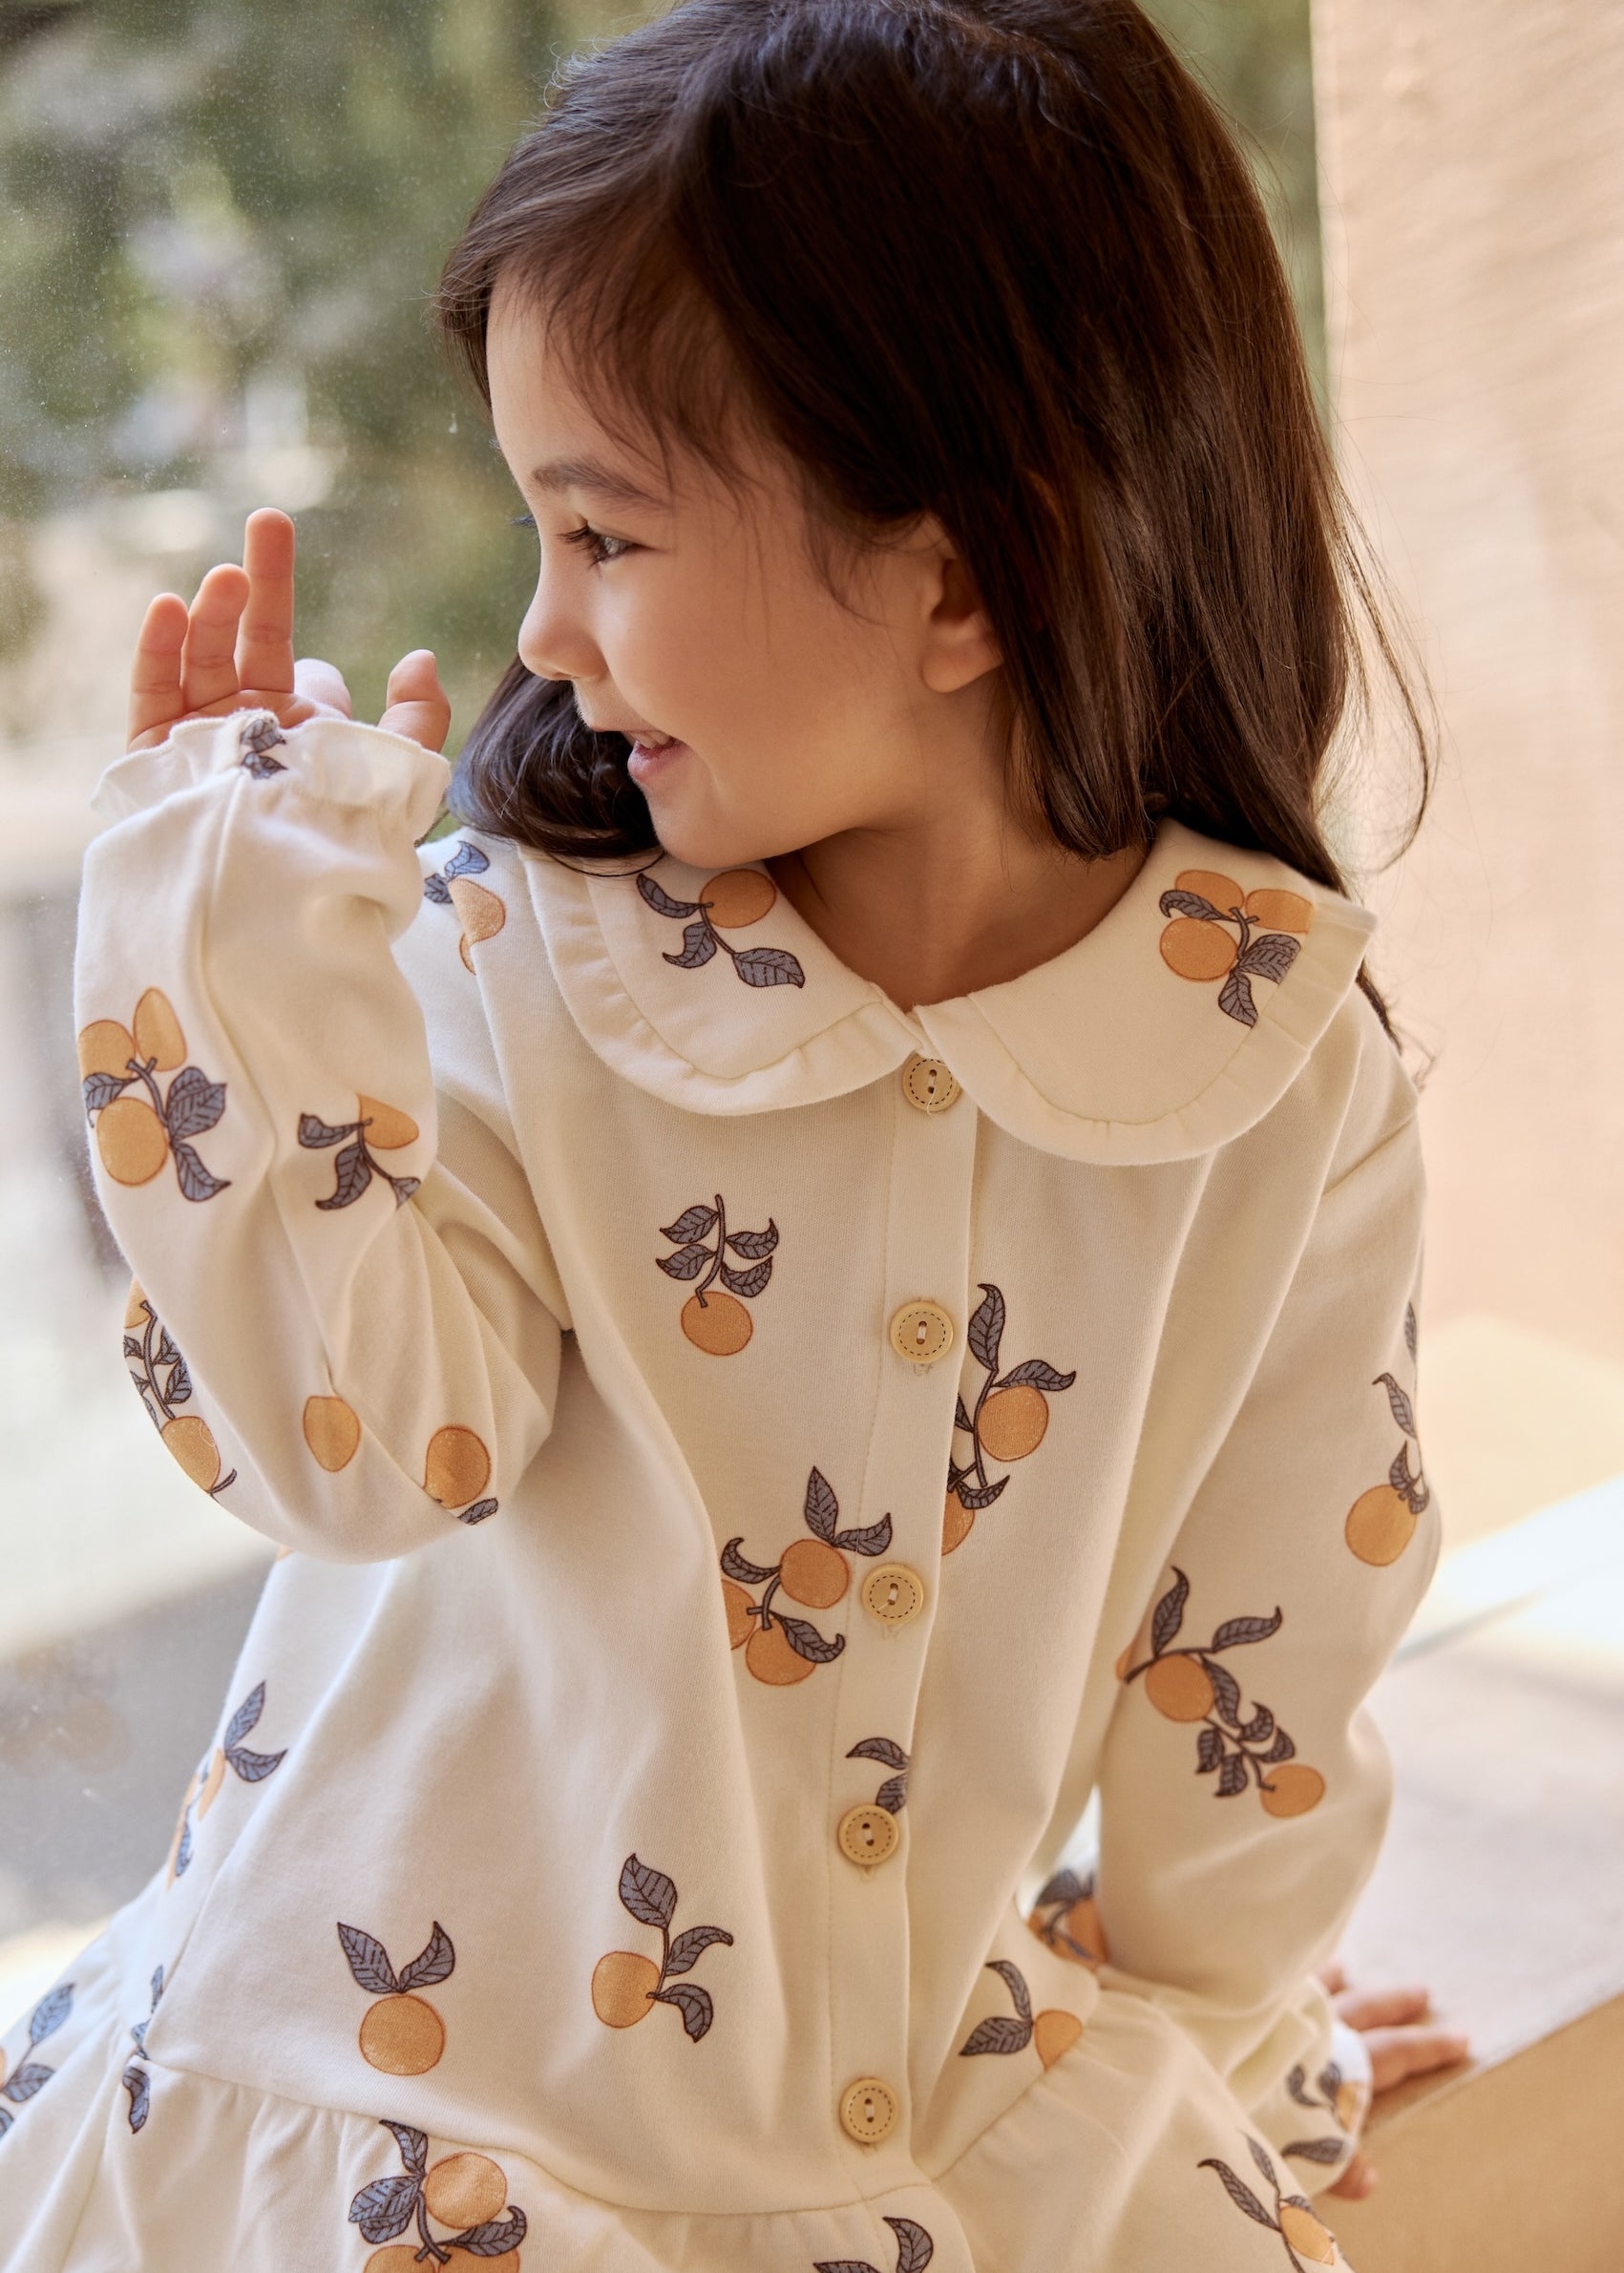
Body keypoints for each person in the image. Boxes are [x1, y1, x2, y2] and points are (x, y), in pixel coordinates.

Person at [3, 2, 1468, 2264]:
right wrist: (228, 945)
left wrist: (1224, 2031)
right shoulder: (523, 964)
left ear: (961, 574)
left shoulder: (1266, 1070)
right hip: (377, 2129)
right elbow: (360, 1451)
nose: (538, 629)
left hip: (852, 2146)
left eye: (603, 531)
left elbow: (1264, 1652)